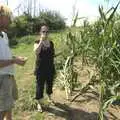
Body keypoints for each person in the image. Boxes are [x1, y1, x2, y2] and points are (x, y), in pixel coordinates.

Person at [0, 4, 27, 120]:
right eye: (8, 17)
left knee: (9, 107)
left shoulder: (4, 35)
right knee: (2, 110)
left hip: (9, 76)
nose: (10, 20)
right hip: (1, 78)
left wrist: (16, 58)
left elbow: (6, 54)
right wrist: (14, 60)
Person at [33, 25, 55, 112]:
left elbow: (52, 55)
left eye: (47, 32)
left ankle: (49, 97)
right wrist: (41, 42)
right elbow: (36, 52)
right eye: (43, 32)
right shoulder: (37, 42)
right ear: (40, 33)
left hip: (50, 67)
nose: (45, 33)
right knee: (40, 86)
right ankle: (39, 103)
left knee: (49, 83)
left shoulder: (51, 43)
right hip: (40, 68)